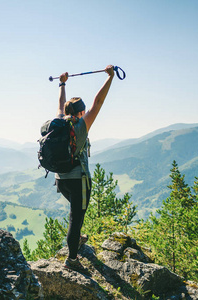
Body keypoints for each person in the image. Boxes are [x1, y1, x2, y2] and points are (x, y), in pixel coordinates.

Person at [55, 65, 115, 273]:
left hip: (60, 180)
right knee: (76, 217)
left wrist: (62, 84)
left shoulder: (60, 121)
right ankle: (72, 259)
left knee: (75, 211)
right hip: (78, 180)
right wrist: (110, 78)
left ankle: (77, 237)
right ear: (81, 112)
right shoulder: (81, 125)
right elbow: (98, 103)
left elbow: (61, 103)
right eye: (84, 110)